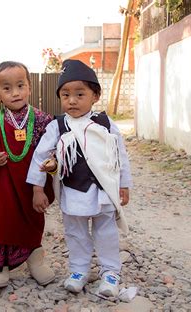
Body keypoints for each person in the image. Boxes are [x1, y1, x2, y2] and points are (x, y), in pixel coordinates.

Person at [26, 59, 132, 297]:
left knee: (106, 233)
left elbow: (120, 155)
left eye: (79, 94)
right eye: (65, 95)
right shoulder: (58, 126)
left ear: (95, 95)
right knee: (76, 233)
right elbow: (39, 157)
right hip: (74, 192)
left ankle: (110, 273)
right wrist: (37, 189)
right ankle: (78, 270)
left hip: (104, 191)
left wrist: (124, 184)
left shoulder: (105, 124)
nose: (72, 100)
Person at [0, 61, 56, 288]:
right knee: (0, 221)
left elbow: (53, 150)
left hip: (31, 186)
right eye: (6, 88)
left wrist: (52, 163)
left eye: (20, 85)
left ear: (29, 87)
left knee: (33, 220)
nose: (15, 93)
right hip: (2, 186)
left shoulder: (43, 120)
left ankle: (35, 261)